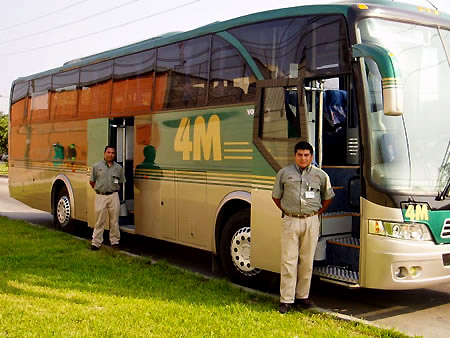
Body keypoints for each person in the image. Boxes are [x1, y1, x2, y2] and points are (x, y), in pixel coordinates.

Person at [272, 141, 334, 314]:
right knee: (288, 261)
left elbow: (328, 196)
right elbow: (276, 196)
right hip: (290, 220)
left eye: (306, 155)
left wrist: (317, 212)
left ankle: (302, 297)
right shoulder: (284, 174)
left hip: (311, 221)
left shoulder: (321, 176)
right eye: (300, 154)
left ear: (311, 157)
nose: (303, 158)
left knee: (306, 261)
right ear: (295, 156)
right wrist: (286, 210)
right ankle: (286, 300)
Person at [90, 145, 125, 251]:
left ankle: (115, 242)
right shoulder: (96, 166)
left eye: (113, 153)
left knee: (114, 220)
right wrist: (99, 190)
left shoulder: (118, 168)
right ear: (104, 153)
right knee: (99, 220)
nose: (111, 155)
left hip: (113, 196)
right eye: (109, 152)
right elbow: (92, 181)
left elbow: (121, 181)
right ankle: (96, 243)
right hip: (101, 196)